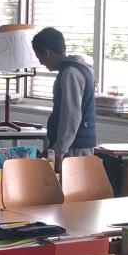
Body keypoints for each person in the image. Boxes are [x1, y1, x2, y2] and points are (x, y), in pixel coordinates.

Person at [31, 27, 96, 170]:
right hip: (75, 145)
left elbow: (71, 116)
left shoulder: (70, 73)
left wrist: (59, 150)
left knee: (68, 184)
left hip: (73, 148)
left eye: (39, 57)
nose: (41, 62)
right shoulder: (79, 69)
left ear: (47, 52)